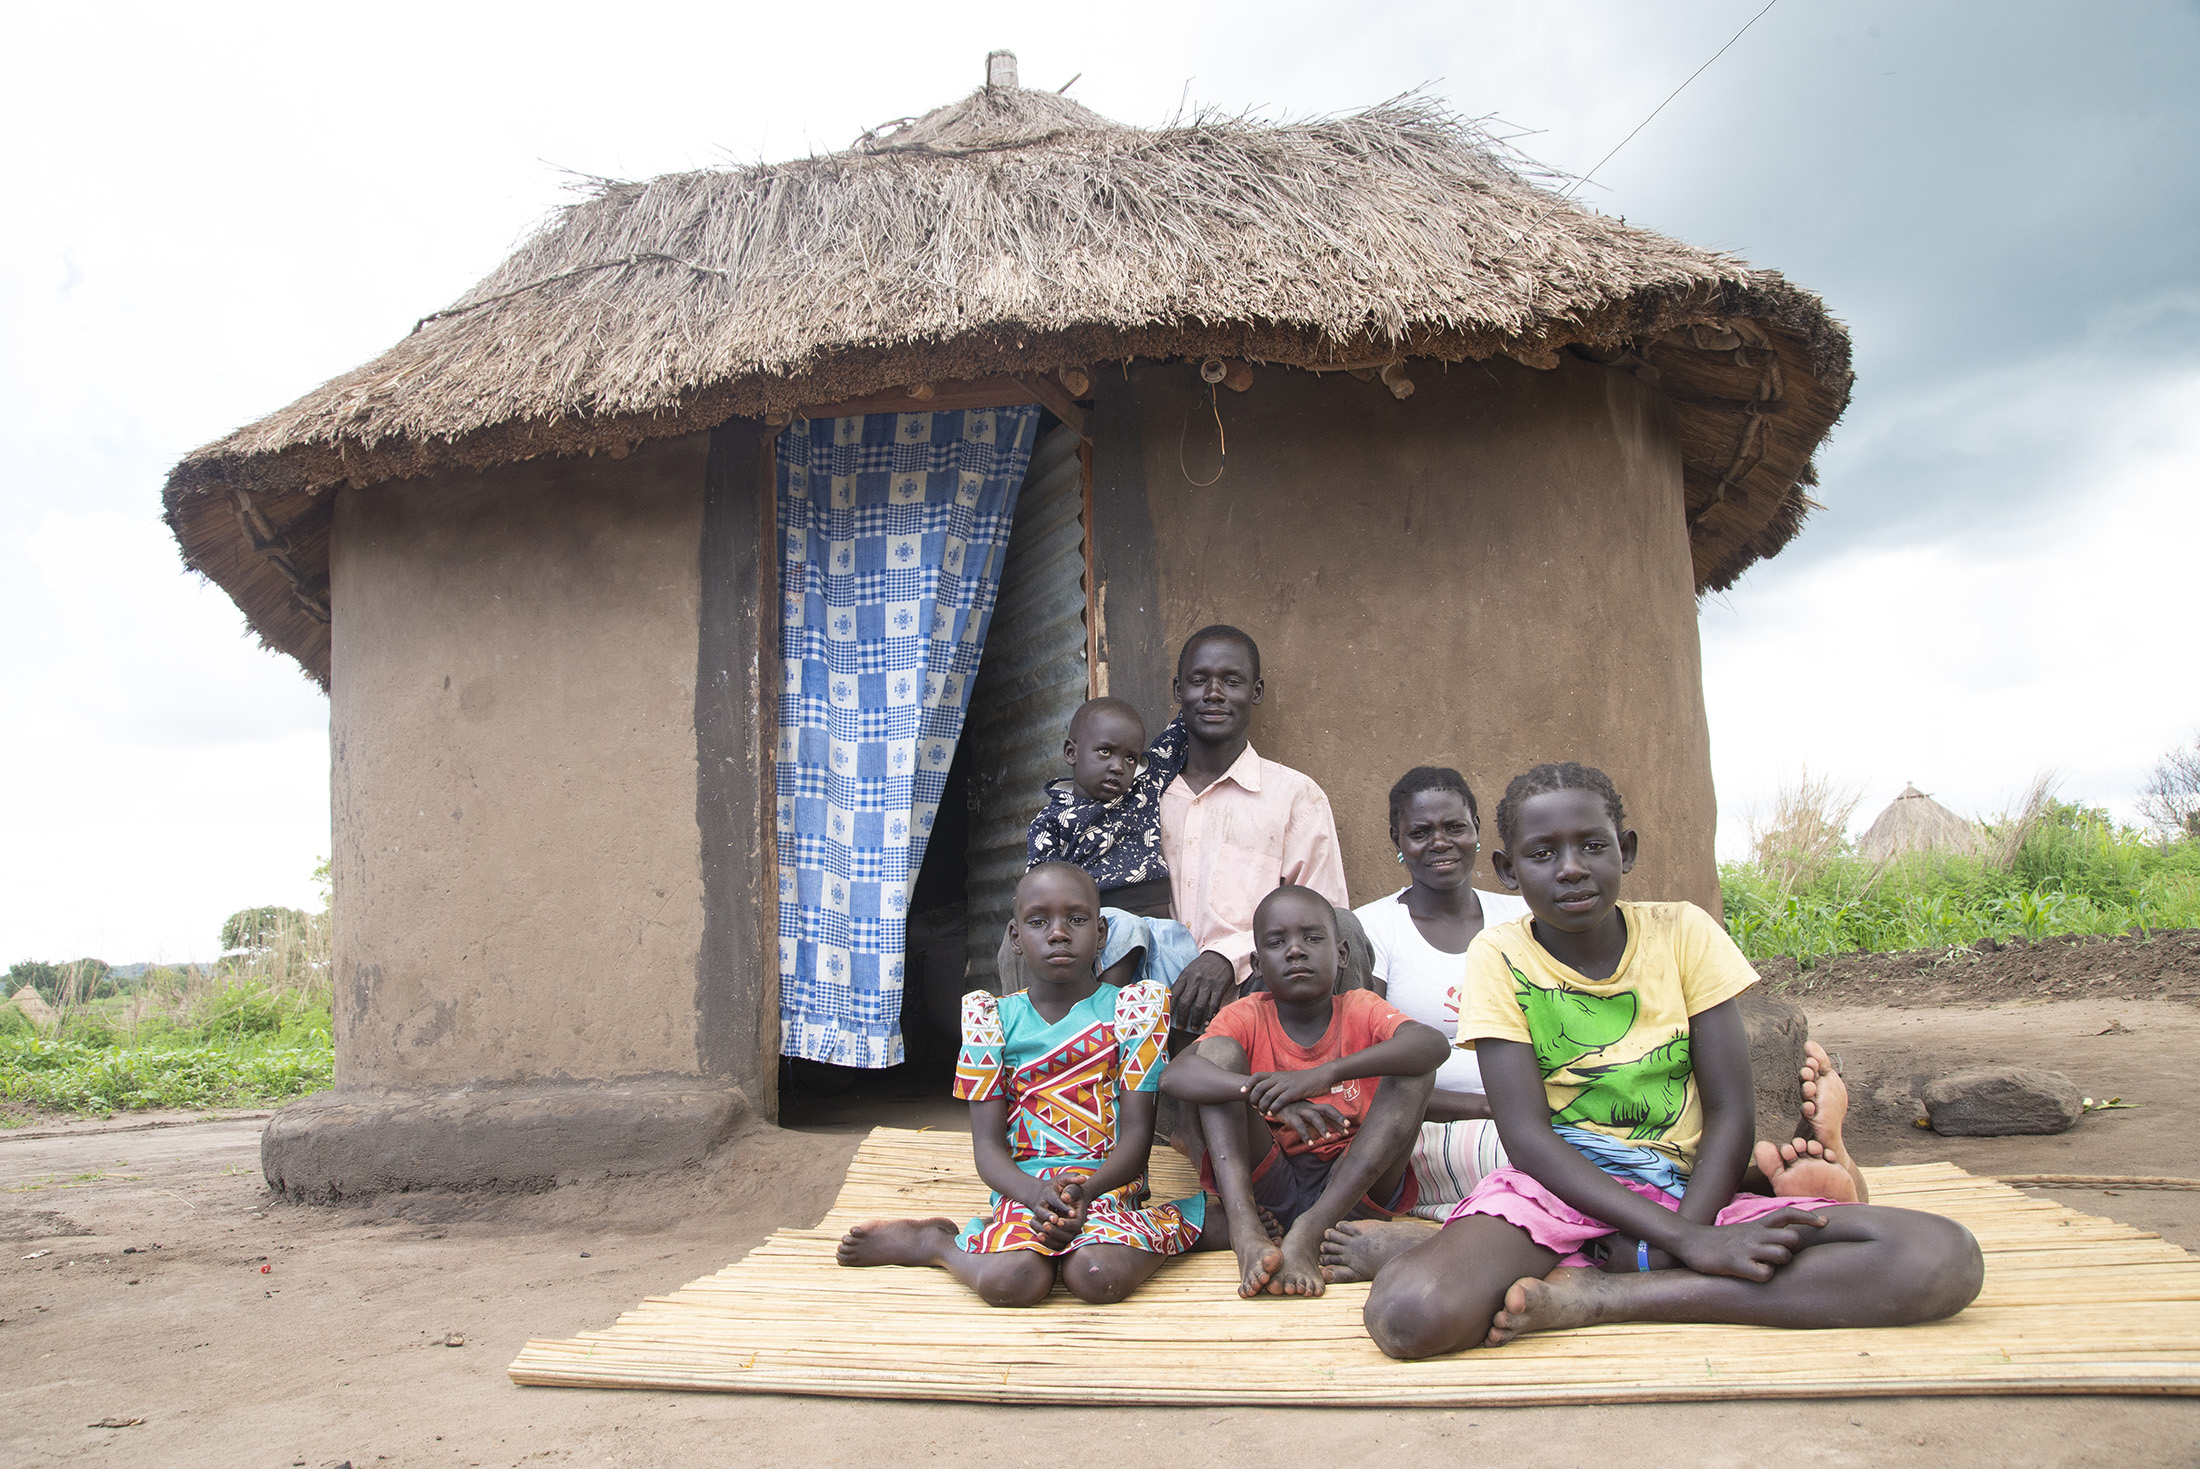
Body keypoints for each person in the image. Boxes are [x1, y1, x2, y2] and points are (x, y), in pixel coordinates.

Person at [1357, 762, 1984, 1359]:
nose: (1571, 869)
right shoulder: (1498, 955)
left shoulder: (1683, 932)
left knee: (1941, 1256)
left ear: (1625, 850)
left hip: (1687, 1186)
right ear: (1509, 869)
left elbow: (1731, 1109)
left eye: (1593, 846)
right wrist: (1690, 1245)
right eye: (1543, 853)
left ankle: (1606, 1293)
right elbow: (1527, 1139)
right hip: (1557, 1186)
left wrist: (1693, 1225)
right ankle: (1622, 1261)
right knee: (1409, 1315)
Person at [837, 862, 1241, 1305]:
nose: (1059, 933)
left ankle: (1166, 1231)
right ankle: (937, 1244)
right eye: (1038, 921)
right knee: (1012, 1282)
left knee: (1096, 1275)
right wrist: (1034, 1193)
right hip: (1022, 1189)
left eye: (1077, 918)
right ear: (1015, 937)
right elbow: (988, 1150)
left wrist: (1086, 1190)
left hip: (1107, 1186)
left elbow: (1138, 1138)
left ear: (1101, 933)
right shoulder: (990, 1021)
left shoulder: (1132, 1012)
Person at [1161, 885, 1449, 1299]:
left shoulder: (1360, 1008)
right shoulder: (1246, 1014)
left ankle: (1311, 1232)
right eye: (1277, 943)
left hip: (1354, 1184)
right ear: (1258, 964)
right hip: (1270, 1182)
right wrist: (1260, 1093)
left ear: (1342, 954)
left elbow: (1433, 1046)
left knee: (1414, 1064)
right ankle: (1245, 1229)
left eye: (1312, 939)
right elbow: (1176, 1077)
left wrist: (1321, 1076)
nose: (1295, 951)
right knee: (1218, 1055)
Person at [1351, 766, 1530, 1220]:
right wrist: (1487, 1107)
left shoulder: (1523, 915)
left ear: (1475, 830)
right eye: (1420, 832)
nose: (1440, 842)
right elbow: (1368, 1070)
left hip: (1535, 1118)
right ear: (1397, 839)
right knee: (1532, 1170)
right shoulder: (1374, 928)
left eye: (1454, 827)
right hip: (1424, 1131)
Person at [1159, 626, 1349, 1037]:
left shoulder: (1295, 797)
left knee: (1346, 928)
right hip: (1156, 1000)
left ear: (1256, 692)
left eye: (1231, 681)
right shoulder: (1144, 799)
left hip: (1262, 996)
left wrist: (1227, 957)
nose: (1213, 693)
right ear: (1178, 689)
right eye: (1198, 680)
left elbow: (1325, 919)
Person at [1008, 698, 1197, 993]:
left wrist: (1198, 695)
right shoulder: (1052, 822)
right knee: (1122, 939)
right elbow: (1039, 889)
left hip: (1160, 926)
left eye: (1130, 758)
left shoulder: (1142, 787)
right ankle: (1100, 1018)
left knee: (1179, 982)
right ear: (1072, 753)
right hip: (1105, 929)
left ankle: (1177, 1038)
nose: (1118, 767)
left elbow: (1178, 736)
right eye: (1105, 752)